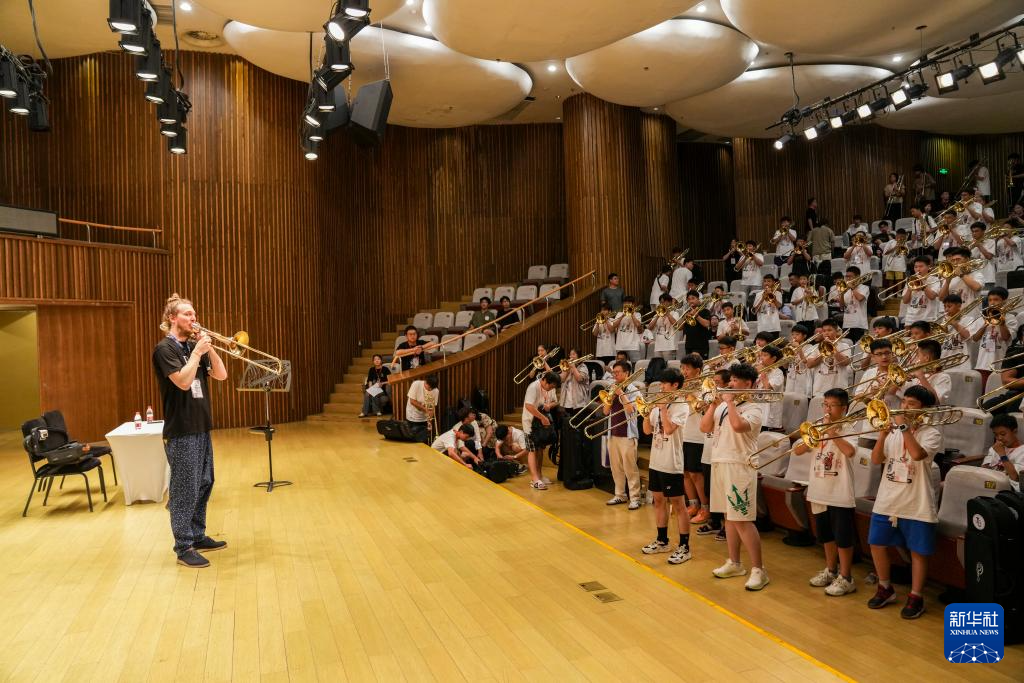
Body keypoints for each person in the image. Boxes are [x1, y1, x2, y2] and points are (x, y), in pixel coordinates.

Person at [153, 294, 230, 569]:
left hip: (201, 426)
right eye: (187, 314)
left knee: (204, 482)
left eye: (194, 314)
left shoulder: (192, 346)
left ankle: (197, 535)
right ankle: (183, 546)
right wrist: (197, 353)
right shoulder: (165, 349)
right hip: (182, 429)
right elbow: (183, 383)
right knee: (184, 488)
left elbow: (221, 375)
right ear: (172, 318)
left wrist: (209, 349)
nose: (194, 318)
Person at [867, 385, 943, 619]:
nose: (904, 407)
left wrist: (904, 428)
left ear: (923, 409)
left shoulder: (932, 433)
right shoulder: (893, 431)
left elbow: (918, 455)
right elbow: (876, 459)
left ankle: (916, 596)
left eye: (911, 403)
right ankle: (885, 587)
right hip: (888, 498)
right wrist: (882, 435)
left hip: (916, 502)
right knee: (876, 543)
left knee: (918, 551)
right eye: (903, 402)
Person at [701, 363, 769, 590]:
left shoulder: (754, 409)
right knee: (728, 517)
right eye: (730, 380)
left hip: (740, 466)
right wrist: (713, 405)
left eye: (735, 381)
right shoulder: (722, 405)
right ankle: (735, 562)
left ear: (748, 384)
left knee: (741, 518)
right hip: (720, 461)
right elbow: (704, 427)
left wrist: (729, 403)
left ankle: (759, 570)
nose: (730, 384)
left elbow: (739, 426)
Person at [793, 388, 857, 596]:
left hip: (839, 491)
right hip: (818, 490)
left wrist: (831, 432)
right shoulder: (817, 427)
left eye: (832, 405)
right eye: (825, 405)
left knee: (843, 537)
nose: (827, 409)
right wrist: (813, 436)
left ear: (843, 408)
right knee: (826, 535)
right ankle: (831, 570)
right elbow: (797, 451)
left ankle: (846, 577)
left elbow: (850, 451)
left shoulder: (850, 427)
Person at [641, 368, 693, 565]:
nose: (661, 387)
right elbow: (647, 431)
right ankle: (662, 540)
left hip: (672, 462)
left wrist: (662, 409)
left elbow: (670, 429)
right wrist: (646, 413)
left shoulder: (682, 406)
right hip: (656, 460)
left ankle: (685, 547)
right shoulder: (658, 406)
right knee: (658, 501)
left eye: (664, 384)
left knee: (678, 504)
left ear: (675, 385)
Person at [603, 360, 643, 509]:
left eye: (618, 372)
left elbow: (631, 410)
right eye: (614, 372)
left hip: (628, 435)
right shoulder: (612, 388)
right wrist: (612, 396)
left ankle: (635, 498)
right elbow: (605, 411)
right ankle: (620, 495)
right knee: (616, 467)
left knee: (630, 468)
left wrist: (621, 394)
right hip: (613, 433)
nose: (615, 375)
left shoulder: (635, 390)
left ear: (627, 373)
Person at [680, 355, 710, 524]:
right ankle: (693, 504)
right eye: (682, 368)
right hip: (683, 434)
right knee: (685, 472)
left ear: (697, 370)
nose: (684, 372)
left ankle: (705, 508)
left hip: (697, 436)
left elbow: (704, 410)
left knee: (696, 474)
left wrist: (690, 394)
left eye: (687, 368)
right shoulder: (680, 385)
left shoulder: (705, 387)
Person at [971, 286, 1017, 387]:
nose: (992, 303)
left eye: (996, 299)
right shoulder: (983, 317)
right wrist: (985, 323)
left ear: (1004, 301)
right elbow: (975, 338)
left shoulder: (1010, 318)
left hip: (1000, 363)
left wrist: (1001, 320)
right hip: (983, 363)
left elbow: (1006, 337)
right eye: (990, 300)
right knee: (984, 391)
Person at [522, 371, 561, 490]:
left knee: (540, 450)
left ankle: (539, 476)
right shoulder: (533, 387)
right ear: (544, 380)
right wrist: (543, 417)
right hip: (530, 423)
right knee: (532, 450)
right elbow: (529, 406)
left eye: (553, 387)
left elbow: (554, 401)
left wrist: (547, 409)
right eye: (550, 386)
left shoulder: (549, 388)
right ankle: (534, 480)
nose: (551, 389)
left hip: (540, 424)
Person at [807, 318, 853, 396]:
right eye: (824, 331)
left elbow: (845, 362)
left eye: (829, 330)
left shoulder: (845, 346)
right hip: (819, 389)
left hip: (838, 388)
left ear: (836, 331)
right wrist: (823, 351)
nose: (826, 333)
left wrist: (832, 348)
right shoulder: (816, 347)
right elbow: (809, 365)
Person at [983, 414, 1023, 491]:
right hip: (989, 486)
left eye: (1003, 434)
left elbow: (1015, 478)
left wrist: (1002, 454)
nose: (999, 438)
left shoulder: (1022, 451)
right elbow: (984, 470)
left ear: (1014, 432)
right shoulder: (994, 448)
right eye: (996, 434)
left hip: (1010, 491)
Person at [939, 294, 975, 371]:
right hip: (945, 361)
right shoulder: (944, 321)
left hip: (962, 363)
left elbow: (968, 336)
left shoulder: (969, 319)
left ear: (959, 306)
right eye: (945, 307)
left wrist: (954, 323)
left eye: (949, 306)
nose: (946, 309)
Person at [902, 256, 940, 324]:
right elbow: (905, 301)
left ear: (928, 267)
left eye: (921, 266)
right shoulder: (911, 280)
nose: (918, 269)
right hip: (910, 318)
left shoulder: (935, 280)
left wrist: (922, 283)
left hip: (928, 318)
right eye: (916, 267)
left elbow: (932, 296)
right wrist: (909, 289)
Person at [756, 345, 785, 432]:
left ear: (773, 358)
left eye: (765, 355)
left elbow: (767, 388)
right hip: (759, 407)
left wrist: (763, 372)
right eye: (761, 355)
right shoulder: (760, 370)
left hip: (769, 414)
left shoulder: (778, 373)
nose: (761, 358)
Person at [839, 267, 870, 343]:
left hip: (859, 324)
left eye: (850, 276)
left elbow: (860, 298)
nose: (847, 278)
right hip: (846, 324)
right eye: (846, 276)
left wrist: (852, 288)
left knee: (857, 347)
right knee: (847, 345)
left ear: (857, 277)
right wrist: (842, 294)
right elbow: (842, 307)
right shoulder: (846, 289)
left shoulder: (864, 287)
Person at [405, 375, 439, 443]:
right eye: (429, 387)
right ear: (425, 382)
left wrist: (429, 422)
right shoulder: (416, 384)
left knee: (423, 440)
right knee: (412, 440)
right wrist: (425, 409)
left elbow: (431, 408)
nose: (430, 390)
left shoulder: (435, 391)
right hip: (412, 416)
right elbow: (412, 401)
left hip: (424, 419)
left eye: (432, 388)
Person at [681, 291, 712, 358]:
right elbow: (679, 328)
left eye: (693, 298)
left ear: (698, 299)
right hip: (689, 345)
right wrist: (684, 318)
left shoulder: (705, 311)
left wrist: (696, 315)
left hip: (701, 346)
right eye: (689, 299)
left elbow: (707, 324)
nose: (691, 301)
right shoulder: (687, 312)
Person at [559, 348, 590, 416]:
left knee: (578, 419)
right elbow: (562, 379)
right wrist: (567, 370)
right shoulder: (567, 366)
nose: (571, 356)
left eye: (573, 354)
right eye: (570, 355)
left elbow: (579, 379)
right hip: (567, 400)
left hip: (579, 401)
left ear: (578, 356)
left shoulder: (583, 367)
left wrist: (573, 367)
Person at [785, 324, 813, 397]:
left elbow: (805, 361)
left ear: (804, 336)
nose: (794, 336)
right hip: (791, 378)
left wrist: (799, 348)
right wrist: (785, 356)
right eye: (792, 334)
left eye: (797, 334)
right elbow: (785, 366)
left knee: (801, 399)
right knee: (789, 398)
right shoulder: (790, 348)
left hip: (803, 378)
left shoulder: (809, 347)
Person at [612, 296, 643, 362]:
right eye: (625, 303)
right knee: (620, 365)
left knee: (635, 365)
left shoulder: (637, 314)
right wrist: (622, 315)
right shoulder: (619, 314)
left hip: (633, 346)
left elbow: (638, 325)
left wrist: (632, 314)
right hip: (620, 346)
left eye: (629, 302)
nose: (626, 304)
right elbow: (614, 326)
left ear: (633, 304)